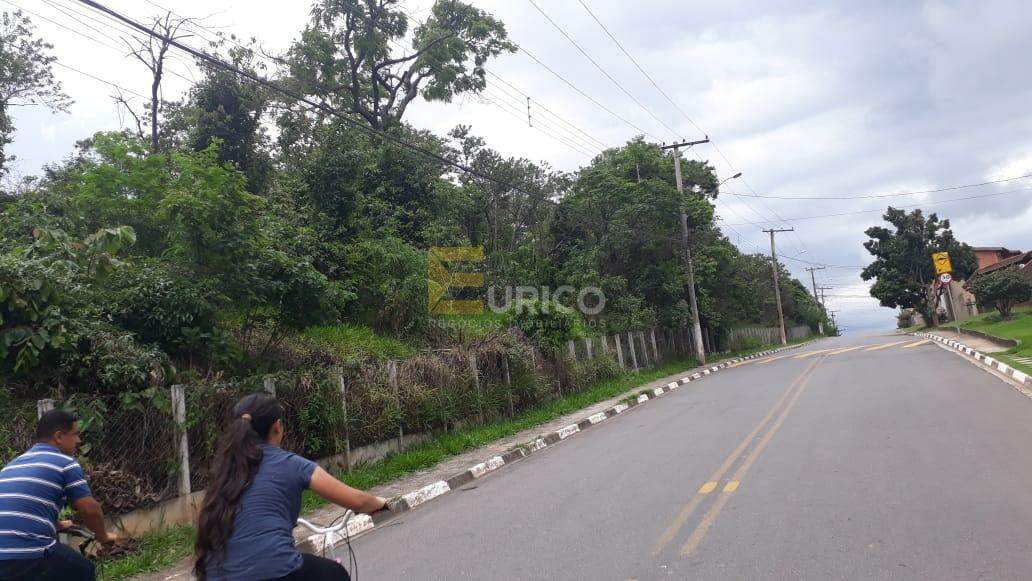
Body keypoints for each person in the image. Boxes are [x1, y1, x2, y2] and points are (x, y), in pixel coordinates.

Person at [195, 394, 389, 580]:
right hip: (275, 570)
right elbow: (357, 500)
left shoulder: (224, 473)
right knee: (336, 574)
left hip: (214, 574)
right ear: (277, 427)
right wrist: (380, 503)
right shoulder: (290, 463)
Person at [0, 409, 120, 581]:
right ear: (58, 436)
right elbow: (89, 510)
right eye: (75, 434)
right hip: (29, 551)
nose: (78, 440)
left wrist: (56, 523)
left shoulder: (12, 466)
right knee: (82, 570)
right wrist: (104, 536)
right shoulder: (65, 463)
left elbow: (23, 505)